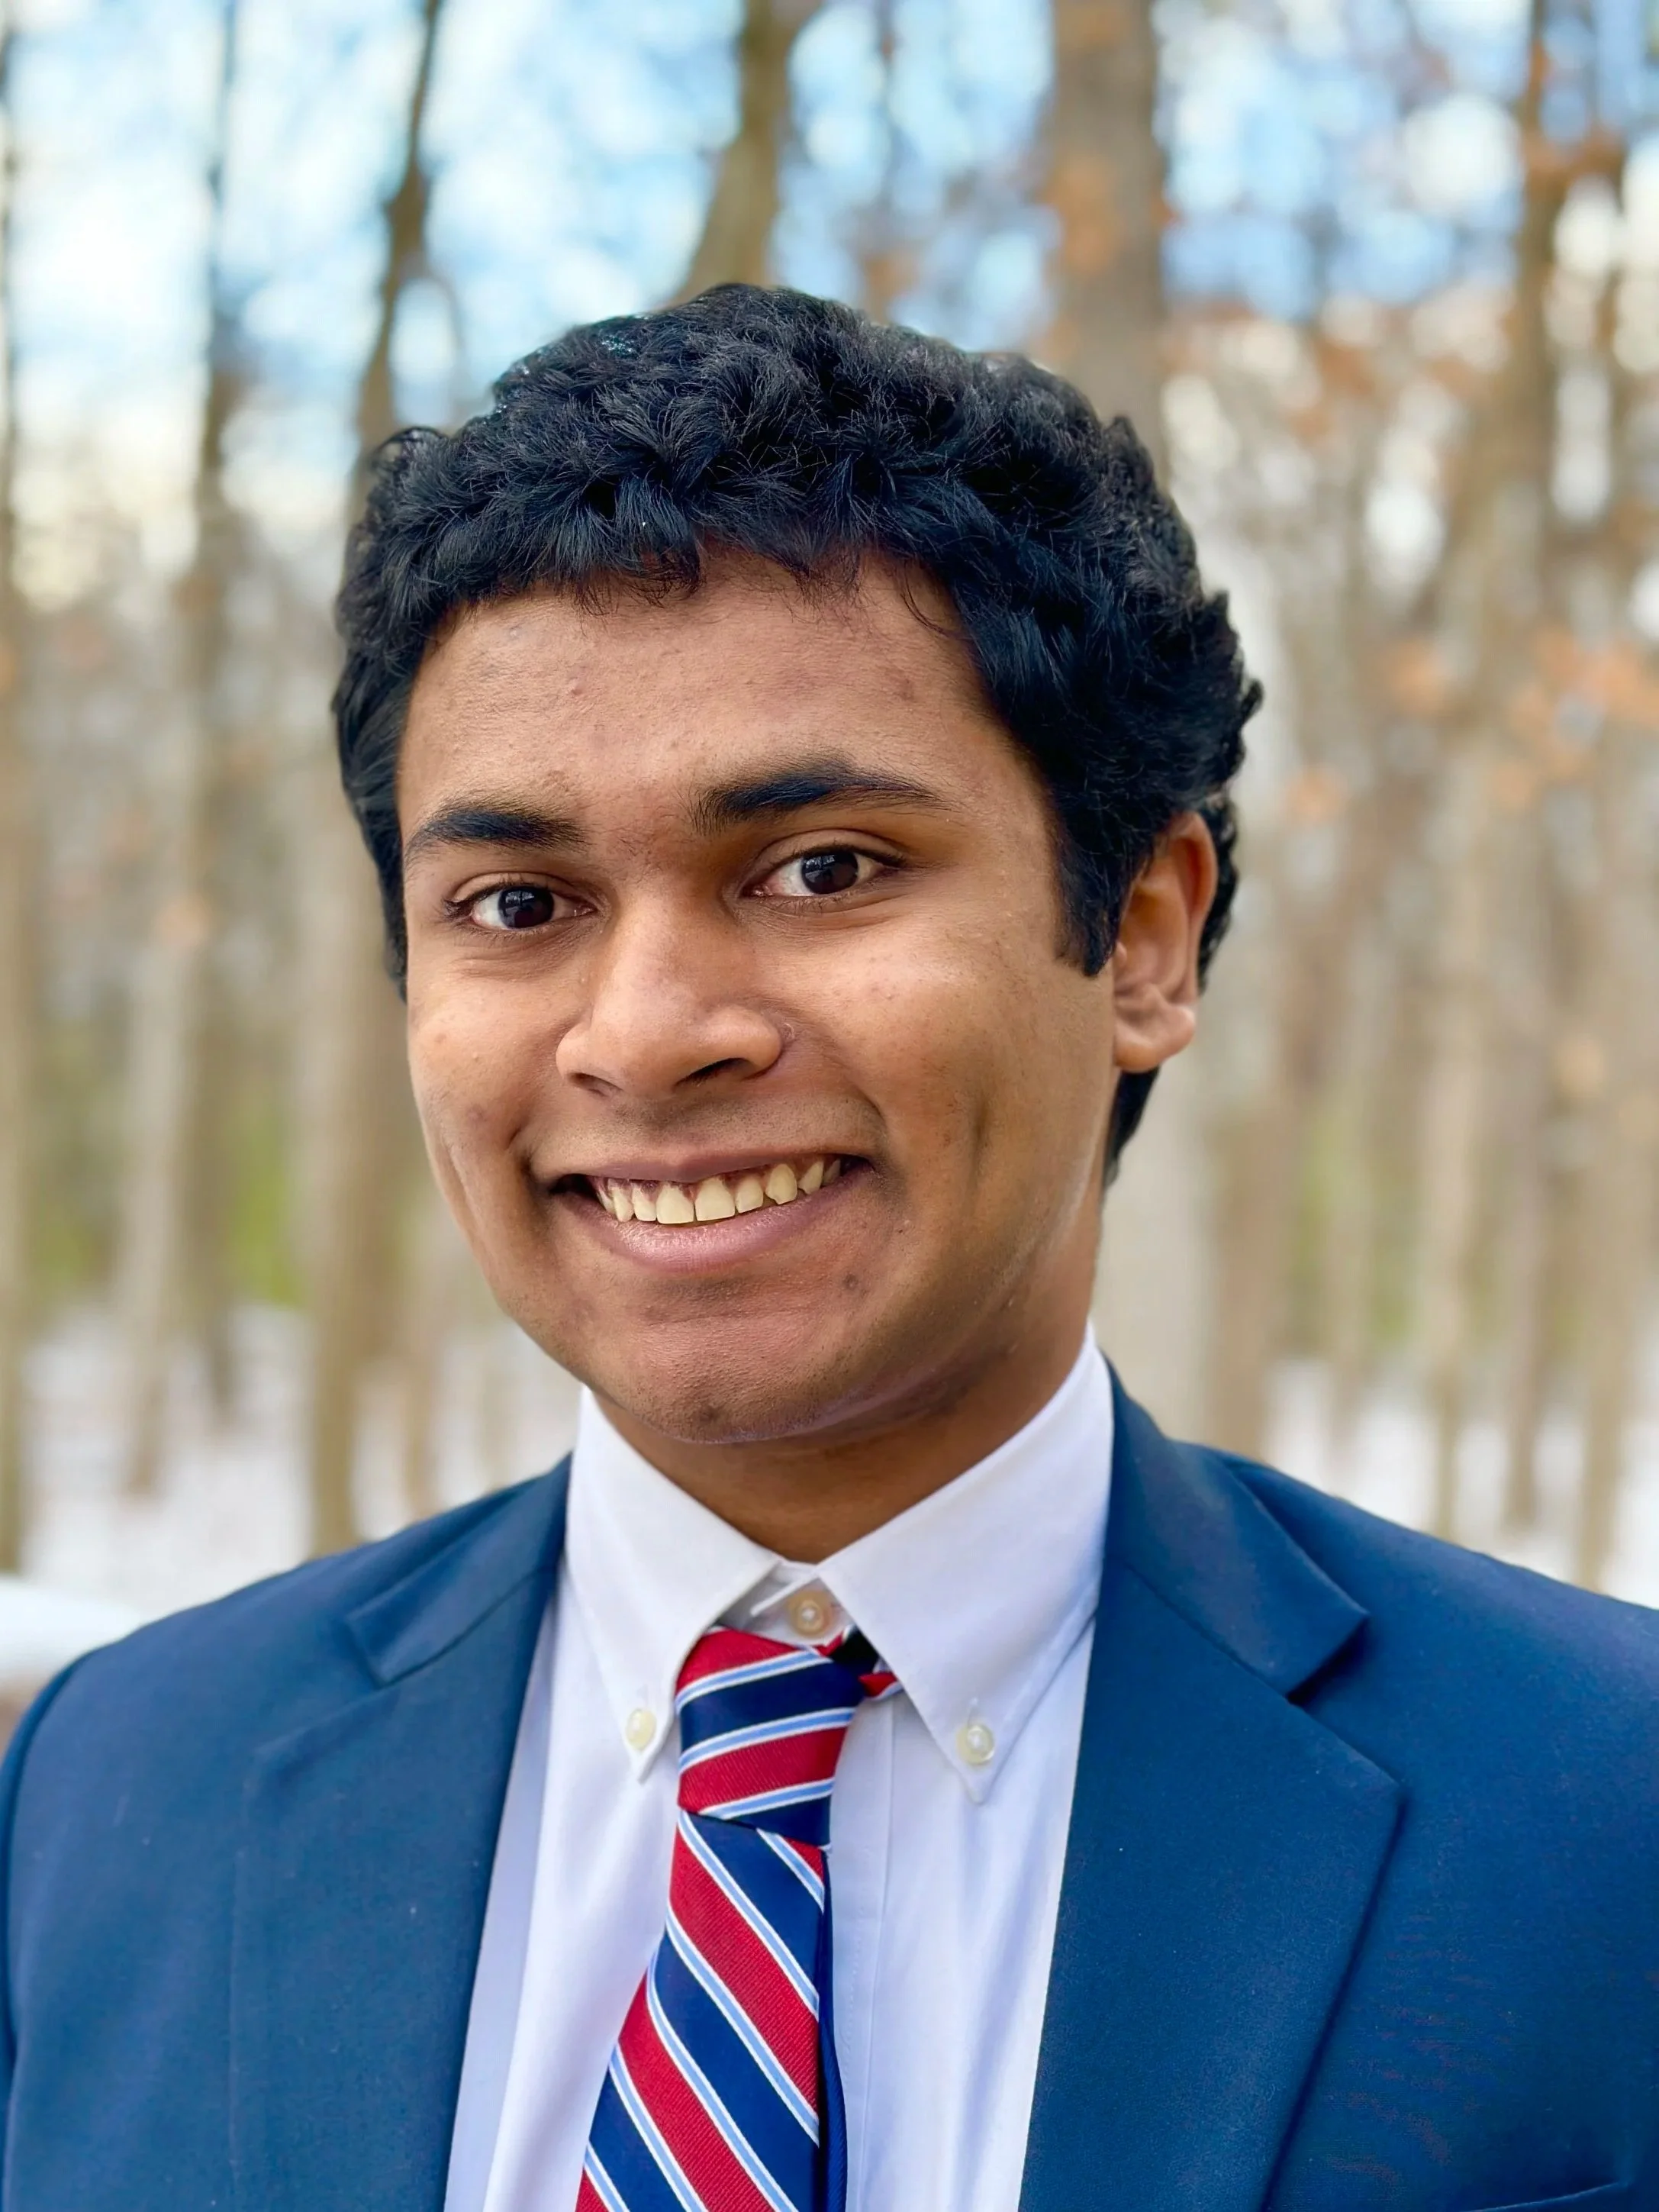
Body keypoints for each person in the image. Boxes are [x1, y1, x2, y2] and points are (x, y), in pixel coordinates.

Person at [0, 287, 1653, 2212]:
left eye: (821, 871)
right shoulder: (119, 1784)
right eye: (518, 901)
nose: (643, 1030)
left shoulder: (1602, 1816)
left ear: (1140, 935)